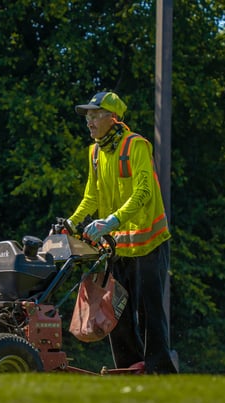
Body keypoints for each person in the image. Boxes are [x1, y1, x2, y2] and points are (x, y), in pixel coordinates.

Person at [66, 91, 178, 374]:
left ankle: (159, 370)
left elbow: (143, 191)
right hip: (118, 246)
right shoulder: (94, 153)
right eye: (87, 116)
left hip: (150, 242)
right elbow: (91, 196)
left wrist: (112, 220)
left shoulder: (136, 146)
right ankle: (128, 368)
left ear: (112, 118)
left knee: (150, 311)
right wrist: (72, 222)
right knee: (117, 312)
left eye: (94, 115)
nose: (88, 122)